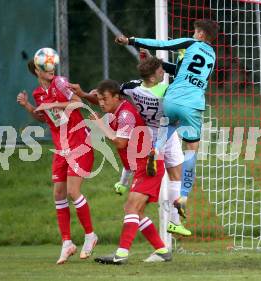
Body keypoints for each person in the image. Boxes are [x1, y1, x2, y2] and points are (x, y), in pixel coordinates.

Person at [115, 19, 219, 218]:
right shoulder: (213, 56)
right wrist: (158, 62)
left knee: (169, 124)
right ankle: (183, 198)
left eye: (196, 31)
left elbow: (163, 44)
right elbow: (186, 73)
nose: (194, 34)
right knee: (191, 151)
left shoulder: (190, 43)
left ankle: (155, 148)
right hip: (192, 105)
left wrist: (131, 41)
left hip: (171, 100)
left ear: (201, 35)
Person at [16, 54, 97, 265]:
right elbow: (44, 117)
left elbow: (78, 102)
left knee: (72, 191)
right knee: (59, 194)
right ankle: (67, 242)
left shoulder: (60, 83)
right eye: (45, 67)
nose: (51, 69)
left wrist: (57, 105)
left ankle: (90, 235)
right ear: (37, 70)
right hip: (61, 147)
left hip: (79, 142)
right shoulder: (37, 92)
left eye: (52, 65)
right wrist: (28, 106)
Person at [90, 80, 171, 264]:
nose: (102, 103)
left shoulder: (125, 114)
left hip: (149, 164)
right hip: (142, 165)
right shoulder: (117, 113)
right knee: (134, 210)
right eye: (99, 99)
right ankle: (162, 250)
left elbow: (120, 143)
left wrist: (100, 125)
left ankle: (121, 255)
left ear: (117, 97)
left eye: (105, 99)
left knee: (132, 208)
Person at [115, 56, 191, 236]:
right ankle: (174, 221)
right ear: (152, 76)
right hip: (165, 133)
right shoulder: (166, 90)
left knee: (136, 164)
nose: (163, 72)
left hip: (146, 133)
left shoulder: (133, 88)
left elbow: (119, 90)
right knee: (175, 175)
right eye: (159, 70)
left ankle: (122, 183)